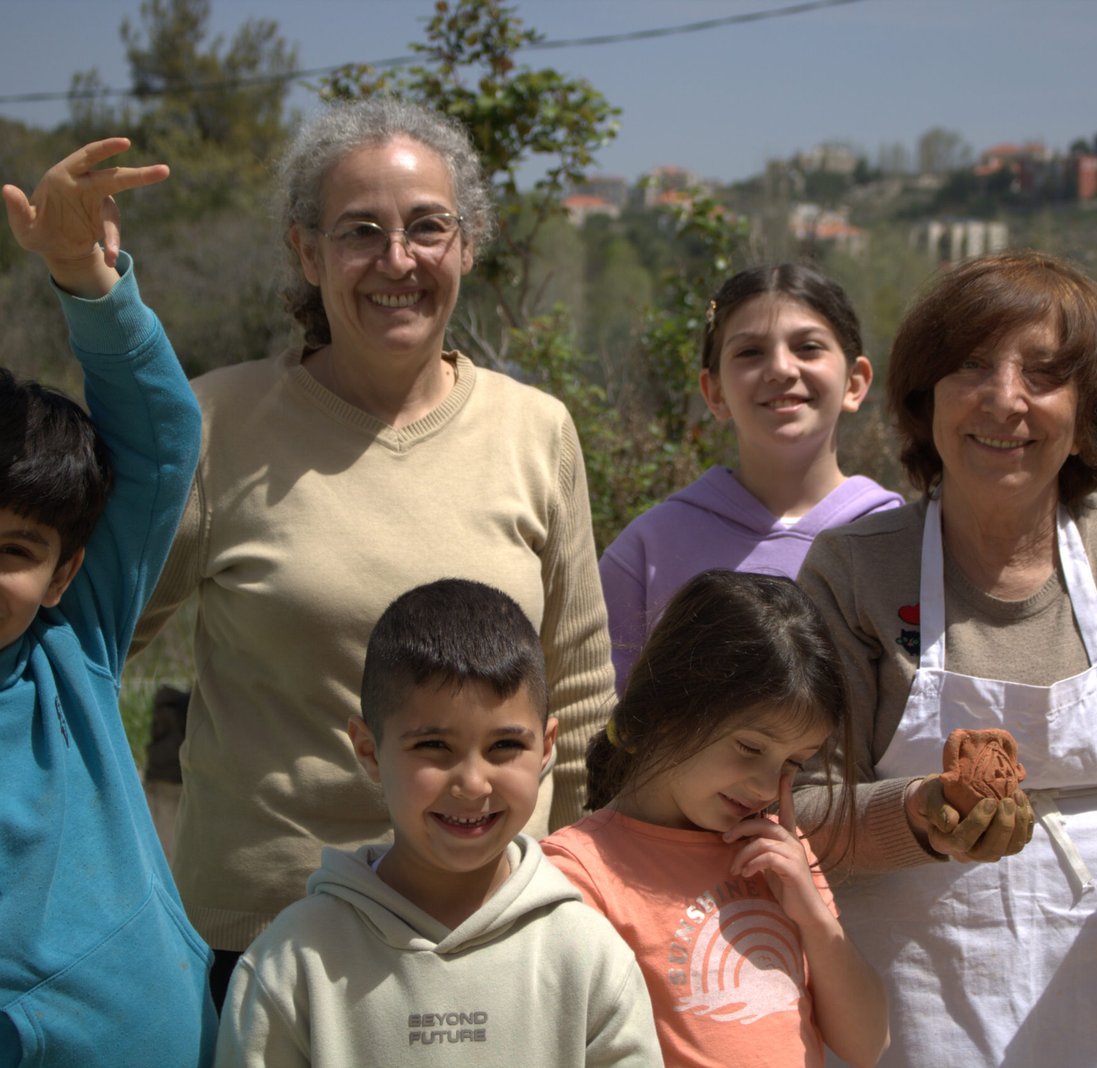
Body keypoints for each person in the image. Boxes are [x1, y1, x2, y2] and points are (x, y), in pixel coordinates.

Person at [131, 97, 616, 1004]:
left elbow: (581, 691)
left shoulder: (536, 431)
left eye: (429, 227)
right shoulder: (215, 424)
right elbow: (90, 645)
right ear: (307, 254)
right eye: (361, 232)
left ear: (468, 246)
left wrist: (572, 898)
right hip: (263, 947)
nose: (399, 260)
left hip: (488, 940)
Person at [794, 251, 1097, 1067]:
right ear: (926, 398)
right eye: (972, 365)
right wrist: (920, 815)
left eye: (1044, 374)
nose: (1004, 398)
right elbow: (803, 804)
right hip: (918, 1008)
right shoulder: (853, 570)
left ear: (1087, 416)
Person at [0, 139, 215, 1065]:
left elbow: (158, 441)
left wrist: (84, 280)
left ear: (64, 575)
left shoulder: (70, 647)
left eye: (17, 552)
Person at [215, 579, 662, 1066]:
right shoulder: (293, 962)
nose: (472, 783)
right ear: (368, 750)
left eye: (505, 747)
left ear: (546, 749)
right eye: (433, 747)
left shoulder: (589, 956)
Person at [543, 570, 890, 1068]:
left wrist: (811, 914)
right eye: (750, 747)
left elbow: (867, 1043)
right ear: (670, 707)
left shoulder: (783, 855)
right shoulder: (579, 873)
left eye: (795, 763)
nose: (768, 787)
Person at [598, 264, 901, 691]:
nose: (781, 369)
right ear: (714, 393)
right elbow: (602, 718)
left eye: (808, 347)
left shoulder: (901, 541)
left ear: (856, 382)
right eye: (750, 352)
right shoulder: (648, 551)